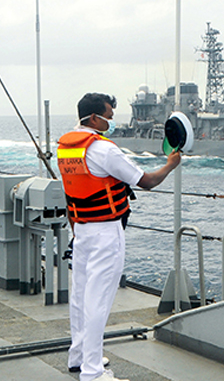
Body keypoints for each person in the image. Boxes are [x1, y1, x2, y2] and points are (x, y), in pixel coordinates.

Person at [57, 92, 182, 381]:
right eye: (108, 117)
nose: (111, 121)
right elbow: (146, 181)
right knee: (98, 300)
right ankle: (93, 372)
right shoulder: (103, 149)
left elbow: (71, 192)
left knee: (80, 297)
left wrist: (77, 230)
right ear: (93, 118)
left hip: (81, 228)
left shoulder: (66, 148)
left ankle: (79, 357)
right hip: (105, 231)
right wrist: (170, 164)